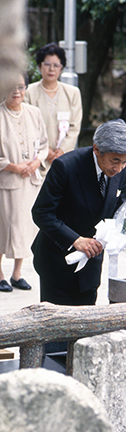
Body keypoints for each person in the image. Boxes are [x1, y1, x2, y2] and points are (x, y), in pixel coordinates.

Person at [31, 118, 126, 306]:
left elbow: (120, 206)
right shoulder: (65, 166)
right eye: (115, 161)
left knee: (87, 319)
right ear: (97, 150)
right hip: (58, 259)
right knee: (58, 325)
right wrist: (75, 240)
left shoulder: (121, 167)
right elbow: (41, 212)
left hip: (92, 261)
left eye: (125, 162)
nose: (119, 168)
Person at [0, 73, 48, 293]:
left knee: (25, 228)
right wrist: (13, 166)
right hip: (6, 183)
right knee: (4, 228)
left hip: (30, 181)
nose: (16, 91)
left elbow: (44, 144)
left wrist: (36, 161)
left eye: (21, 86)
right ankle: (0, 274)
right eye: (11, 86)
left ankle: (17, 273)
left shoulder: (34, 113)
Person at [25, 42, 82, 176]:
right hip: (36, 160)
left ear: (61, 68)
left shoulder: (72, 93)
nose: (51, 69)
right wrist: (46, 151)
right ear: (39, 66)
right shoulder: (28, 92)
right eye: (47, 64)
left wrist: (61, 151)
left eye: (56, 65)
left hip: (64, 159)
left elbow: (74, 127)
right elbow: (28, 126)